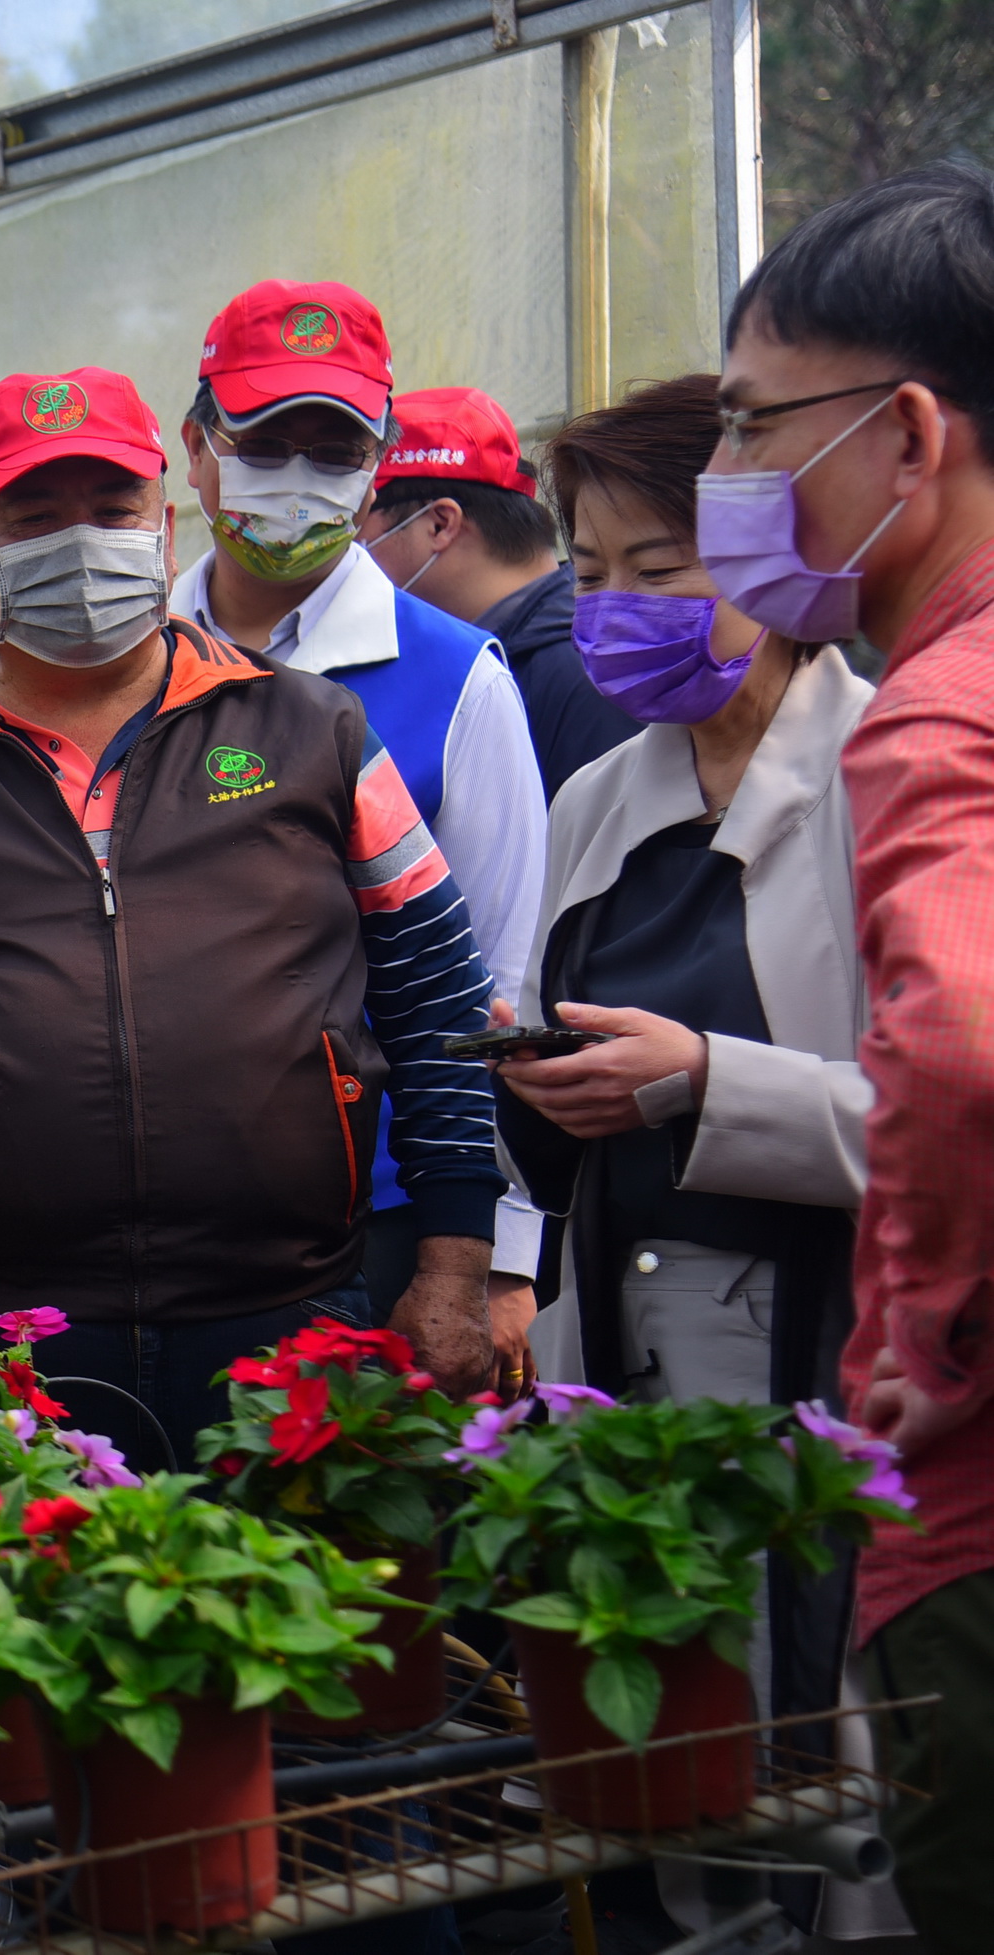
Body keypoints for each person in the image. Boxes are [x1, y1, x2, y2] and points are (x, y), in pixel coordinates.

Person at [0, 366, 506, 1462]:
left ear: (164, 525)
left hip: (284, 1317)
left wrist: (456, 1262)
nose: (80, 542)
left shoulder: (310, 734)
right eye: (33, 517)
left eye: (111, 509)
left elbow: (440, 1001)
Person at [495, 383, 874, 1929]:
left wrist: (708, 1080)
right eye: (588, 571)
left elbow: (936, 1113)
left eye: (660, 567)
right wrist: (536, 1073)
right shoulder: (602, 796)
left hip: (824, 1358)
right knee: (667, 1770)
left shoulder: (884, 768)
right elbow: (554, 1094)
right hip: (627, 1357)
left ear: (777, 560)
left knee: (834, 1781)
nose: (616, 607)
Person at [700, 162, 994, 1937]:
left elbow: (951, 1055)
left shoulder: (933, 715)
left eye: (752, 424)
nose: (725, 477)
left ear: (906, 437)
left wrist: (937, 1337)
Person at [170, 280, 549, 1370]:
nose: (295, 478)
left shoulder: (459, 681)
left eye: (332, 451)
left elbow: (502, 984)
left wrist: (496, 1258)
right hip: (152, 1205)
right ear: (195, 447)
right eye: (261, 444)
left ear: (377, 465)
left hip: (391, 1215)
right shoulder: (122, 660)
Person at [357, 384, 639, 800]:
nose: (347, 553)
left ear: (440, 524)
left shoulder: (583, 669)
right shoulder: (478, 653)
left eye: (356, 524)